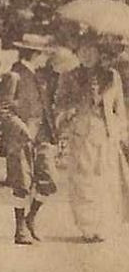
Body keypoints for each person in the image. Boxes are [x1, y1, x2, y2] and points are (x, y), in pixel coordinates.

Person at [53, 35, 129, 243]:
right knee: (83, 180)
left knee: (104, 180)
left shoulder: (111, 76)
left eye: (91, 51)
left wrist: (120, 131)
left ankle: (102, 226)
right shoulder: (70, 76)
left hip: (104, 134)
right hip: (81, 133)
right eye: (83, 51)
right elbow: (59, 104)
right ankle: (87, 226)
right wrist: (72, 110)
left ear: (99, 53)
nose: (87, 55)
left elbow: (119, 108)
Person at [0, 34, 57, 245]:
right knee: (22, 183)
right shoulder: (13, 75)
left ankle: (31, 218)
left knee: (49, 180)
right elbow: (3, 108)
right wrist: (21, 128)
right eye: (43, 54)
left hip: (42, 135)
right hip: (21, 138)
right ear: (34, 54)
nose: (45, 58)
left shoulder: (42, 76)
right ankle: (20, 229)